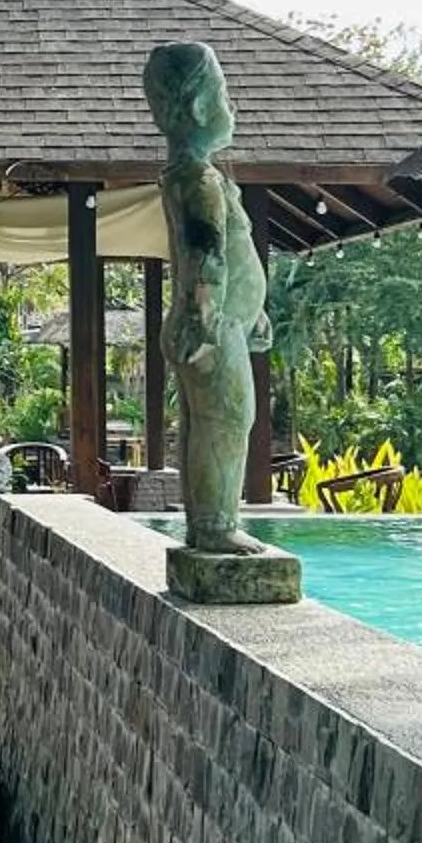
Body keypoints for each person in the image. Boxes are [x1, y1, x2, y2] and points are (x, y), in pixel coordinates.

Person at [143, 40, 273, 558]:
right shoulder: (198, 180)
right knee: (227, 420)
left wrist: (252, 309)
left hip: (220, 323)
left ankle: (207, 522)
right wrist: (208, 319)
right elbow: (206, 254)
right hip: (210, 326)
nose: (231, 108)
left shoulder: (190, 175)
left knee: (205, 423)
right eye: (224, 95)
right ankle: (216, 524)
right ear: (199, 107)